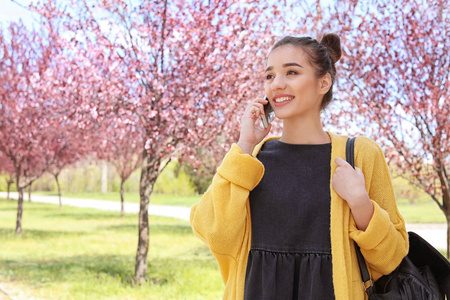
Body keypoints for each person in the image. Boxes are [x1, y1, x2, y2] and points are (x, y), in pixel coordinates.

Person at [190, 33, 409, 300]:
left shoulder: (359, 154)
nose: (277, 84)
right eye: (270, 76)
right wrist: (244, 144)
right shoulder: (252, 158)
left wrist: (361, 204)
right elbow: (215, 233)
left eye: (291, 72)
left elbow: (391, 258)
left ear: (323, 83)